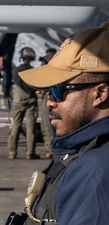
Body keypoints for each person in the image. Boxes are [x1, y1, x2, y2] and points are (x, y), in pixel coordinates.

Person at [14, 20, 109, 225]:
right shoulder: (79, 152)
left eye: (58, 90)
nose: (49, 101)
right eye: (48, 91)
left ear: (100, 93)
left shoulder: (97, 170)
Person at [7, 47, 39, 160]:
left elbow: (13, 82)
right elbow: (36, 86)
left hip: (18, 100)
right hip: (31, 100)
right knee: (31, 128)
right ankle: (30, 152)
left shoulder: (16, 70)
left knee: (15, 126)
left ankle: (12, 152)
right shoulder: (33, 70)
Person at [39, 48, 57, 158]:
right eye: (47, 56)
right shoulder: (45, 67)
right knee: (45, 124)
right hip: (46, 96)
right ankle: (49, 146)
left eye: (51, 55)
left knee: (52, 124)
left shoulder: (57, 69)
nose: (48, 57)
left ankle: (52, 148)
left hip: (54, 96)